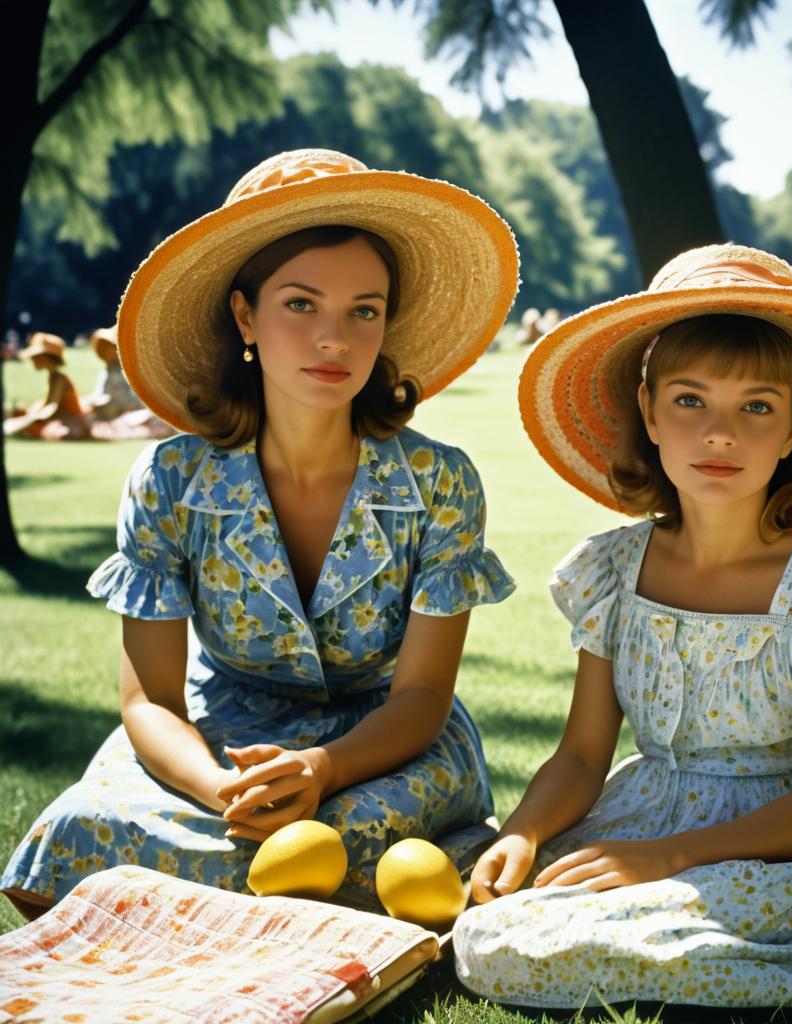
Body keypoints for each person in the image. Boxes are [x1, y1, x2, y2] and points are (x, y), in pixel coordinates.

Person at [1, 148, 520, 921]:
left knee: (347, 833)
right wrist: (226, 792)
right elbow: (150, 702)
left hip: (383, 743)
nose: (335, 339)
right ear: (245, 314)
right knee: (85, 824)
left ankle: (212, 899)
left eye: (364, 310)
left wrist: (321, 767)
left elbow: (420, 696)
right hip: (214, 739)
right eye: (301, 305)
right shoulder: (168, 480)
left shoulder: (442, 483)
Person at [454, 244, 792, 1009]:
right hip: (641, 812)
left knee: (675, 947)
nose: (721, 432)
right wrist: (521, 832)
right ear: (649, 413)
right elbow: (583, 757)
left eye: (757, 407)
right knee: (493, 931)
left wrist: (672, 856)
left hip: (781, 845)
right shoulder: (613, 571)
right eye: (691, 401)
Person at [3, 332, 91, 440]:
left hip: (69, 422)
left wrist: (28, 419)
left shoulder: (59, 378)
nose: (33, 360)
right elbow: (47, 403)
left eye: (36, 357)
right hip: (55, 418)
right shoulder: (53, 377)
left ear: (46, 358)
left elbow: (51, 408)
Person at [79, 325, 143, 420]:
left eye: (107, 347)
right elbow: (101, 392)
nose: (105, 351)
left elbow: (124, 400)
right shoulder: (107, 370)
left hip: (125, 410)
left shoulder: (121, 372)